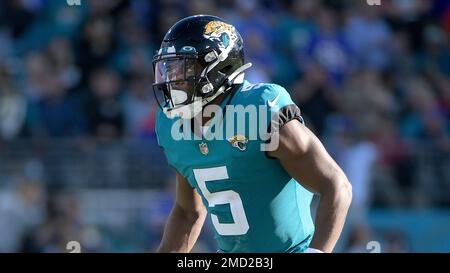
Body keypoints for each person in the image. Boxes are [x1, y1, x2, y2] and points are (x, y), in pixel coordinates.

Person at [153, 15, 352, 253]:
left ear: (218, 67)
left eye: (182, 67)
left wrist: (317, 251)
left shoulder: (259, 111)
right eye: (168, 68)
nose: (173, 79)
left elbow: (336, 185)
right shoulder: (172, 124)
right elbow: (188, 212)